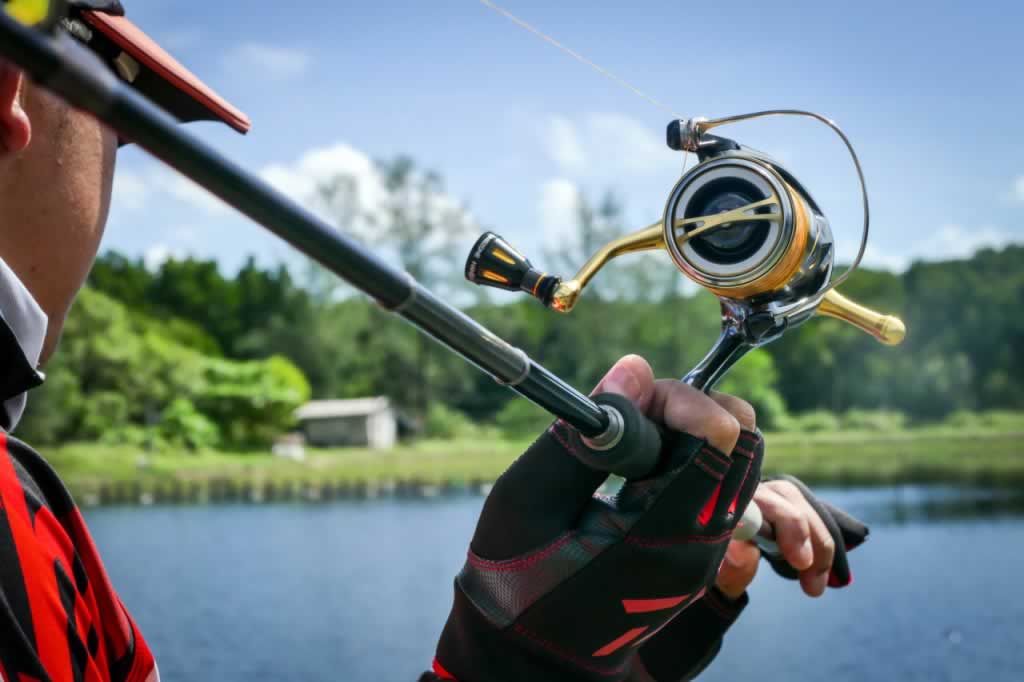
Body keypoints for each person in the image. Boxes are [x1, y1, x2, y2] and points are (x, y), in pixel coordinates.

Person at [0, 3, 866, 681]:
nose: (119, 150)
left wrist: (625, 644)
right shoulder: (18, 510)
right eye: (124, 111)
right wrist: (517, 665)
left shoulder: (31, 505)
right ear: (11, 90)